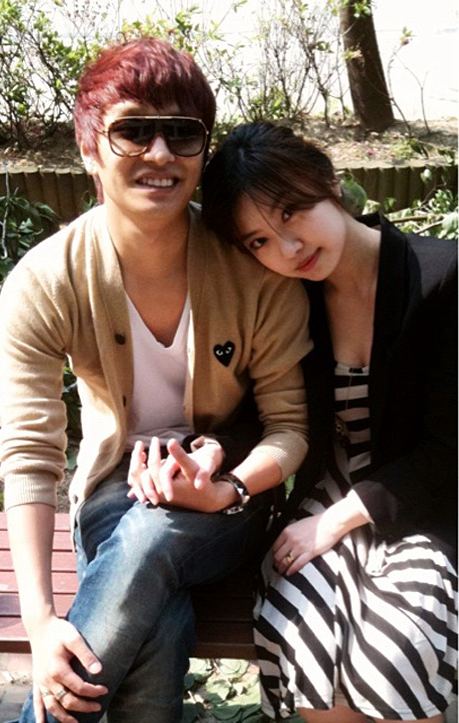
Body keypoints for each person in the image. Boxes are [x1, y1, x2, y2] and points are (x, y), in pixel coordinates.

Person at [0, 45, 312, 723]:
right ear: (90, 150)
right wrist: (40, 622)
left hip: (230, 500)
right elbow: (29, 455)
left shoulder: (255, 274)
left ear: (203, 152)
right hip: (113, 492)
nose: (160, 153)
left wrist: (228, 485)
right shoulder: (45, 281)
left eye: (183, 133)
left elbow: (289, 427)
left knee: (150, 538)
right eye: (134, 130)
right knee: (159, 623)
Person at [201, 121, 458, 723]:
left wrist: (338, 520)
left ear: (330, 182)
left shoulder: (443, 277)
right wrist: (212, 452)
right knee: (302, 629)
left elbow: (450, 448)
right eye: (259, 240)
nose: (288, 248)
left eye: (292, 212)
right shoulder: (288, 300)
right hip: (325, 496)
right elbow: (263, 412)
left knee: (394, 648)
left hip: (433, 503)